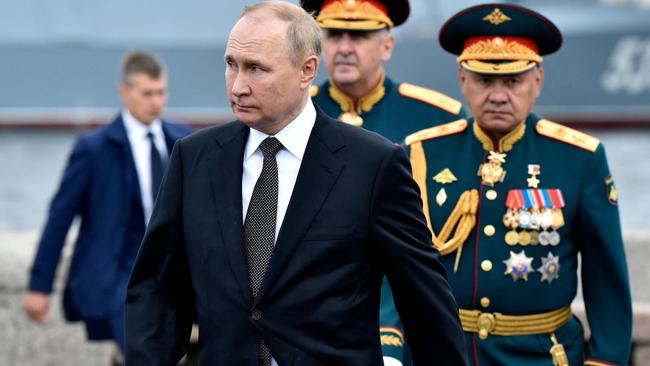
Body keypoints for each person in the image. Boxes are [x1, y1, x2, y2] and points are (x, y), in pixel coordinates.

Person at [124, 1, 467, 365]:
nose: (238, 86)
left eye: (256, 69)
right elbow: (157, 289)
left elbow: (424, 301)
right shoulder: (194, 160)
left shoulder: (373, 166)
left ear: (307, 70)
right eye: (231, 65)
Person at [389, 3, 632, 365]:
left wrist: (605, 359)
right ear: (462, 80)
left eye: (513, 81)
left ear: (537, 81)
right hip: (440, 351)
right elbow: (398, 263)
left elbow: (606, 278)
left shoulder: (578, 158)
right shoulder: (423, 153)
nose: (498, 95)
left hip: (537, 355)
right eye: (485, 81)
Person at [23, 51, 192, 361]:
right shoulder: (93, 149)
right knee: (144, 350)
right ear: (124, 93)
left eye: (161, 92)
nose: (156, 101)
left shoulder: (184, 141)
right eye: (147, 93)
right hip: (115, 277)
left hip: (171, 273)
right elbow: (60, 218)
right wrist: (39, 285)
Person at [301, 0, 465, 144]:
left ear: (387, 47)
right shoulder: (295, 111)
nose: (344, 49)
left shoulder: (439, 118)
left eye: (358, 36)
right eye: (334, 35)